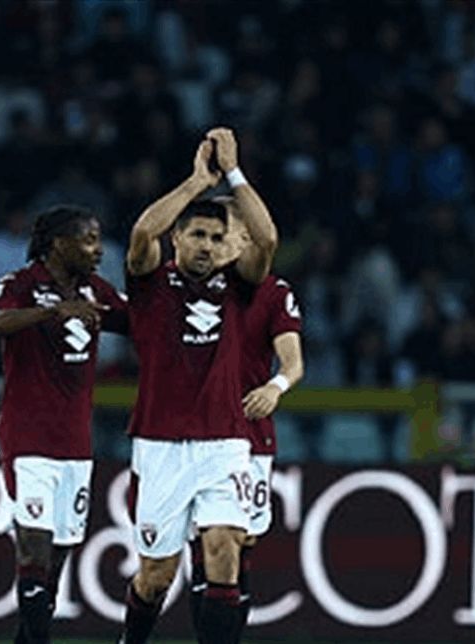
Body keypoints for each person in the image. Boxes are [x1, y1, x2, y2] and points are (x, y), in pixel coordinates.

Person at [118, 128, 278, 644]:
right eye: (197, 236)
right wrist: (196, 183)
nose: (207, 245)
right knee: (156, 576)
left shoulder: (236, 287)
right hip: (159, 444)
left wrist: (234, 173)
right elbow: (142, 234)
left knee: (223, 549)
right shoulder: (151, 284)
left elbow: (266, 241)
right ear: (178, 239)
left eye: (215, 237)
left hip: (225, 441)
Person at [0, 205, 129, 643]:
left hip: (76, 441)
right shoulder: (20, 284)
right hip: (28, 436)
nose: (98, 250)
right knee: (35, 549)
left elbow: (138, 322)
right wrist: (53, 312)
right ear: (58, 244)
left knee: (56, 562)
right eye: (88, 240)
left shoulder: (94, 289)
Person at [188, 207, 304, 639]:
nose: (219, 243)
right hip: (191, 434)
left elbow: (293, 363)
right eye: (213, 235)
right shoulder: (186, 287)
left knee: (237, 547)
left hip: (248, 433)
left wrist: (276, 386)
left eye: (230, 234)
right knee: (202, 550)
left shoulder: (273, 292)